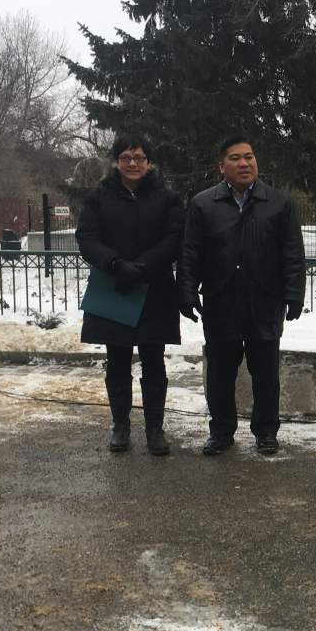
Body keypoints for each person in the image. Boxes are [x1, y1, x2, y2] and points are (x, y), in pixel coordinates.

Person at [178, 135, 306, 456]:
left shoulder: (279, 203)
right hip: (221, 302)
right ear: (221, 166)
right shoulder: (203, 204)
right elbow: (190, 252)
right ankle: (221, 431)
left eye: (249, 156)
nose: (244, 163)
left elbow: (293, 253)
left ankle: (266, 431)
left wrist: (294, 294)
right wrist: (187, 291)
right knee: (220, 373)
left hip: (265, 302)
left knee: (266, 373)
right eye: (235, 158)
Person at [76, 134, 184, 456]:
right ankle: (121, 426)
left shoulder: (167, 198)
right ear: (116, 161)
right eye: (126, 157)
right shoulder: (98, 197)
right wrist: (115, 263)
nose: (133, 163)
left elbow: (175, 236)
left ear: (148, 161)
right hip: (114, 288)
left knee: (154, 362)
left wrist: (146, 265)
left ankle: (155, 429)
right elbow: (87, 237)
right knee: (118, 362)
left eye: (139, 157)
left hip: (155, 289)